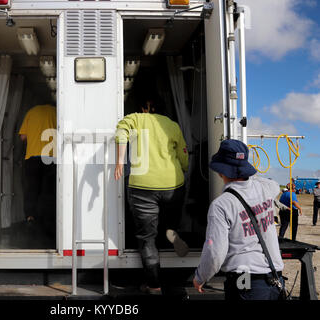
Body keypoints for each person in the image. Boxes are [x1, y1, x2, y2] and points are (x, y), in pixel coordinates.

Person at [193, 139, 285, 300]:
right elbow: (274, 184)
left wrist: (201, 277)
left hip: (245, 282)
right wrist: (247, 171)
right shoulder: (266, 189)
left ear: (221, 171)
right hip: (274, 278)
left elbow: (215, 252)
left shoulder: (221, 205)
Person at [114, 96, 189, 295]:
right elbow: (183, 157)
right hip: (173, 184)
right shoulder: (172, 125)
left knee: (146, 238)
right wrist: (183, 167)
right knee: (168, 222)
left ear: (143, 107)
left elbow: (121, 133)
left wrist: (120, 162)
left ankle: (154, 285)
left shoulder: (135, 118)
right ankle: (171, 232)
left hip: (143, 186)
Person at [19, 102, 57, 237]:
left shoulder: (31, 111)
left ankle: (30, 217)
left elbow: (23, 136)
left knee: (32, 188)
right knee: (49, 190)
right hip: (51, 157)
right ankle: (48, 220)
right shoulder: (57, 112)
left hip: (32, 157)